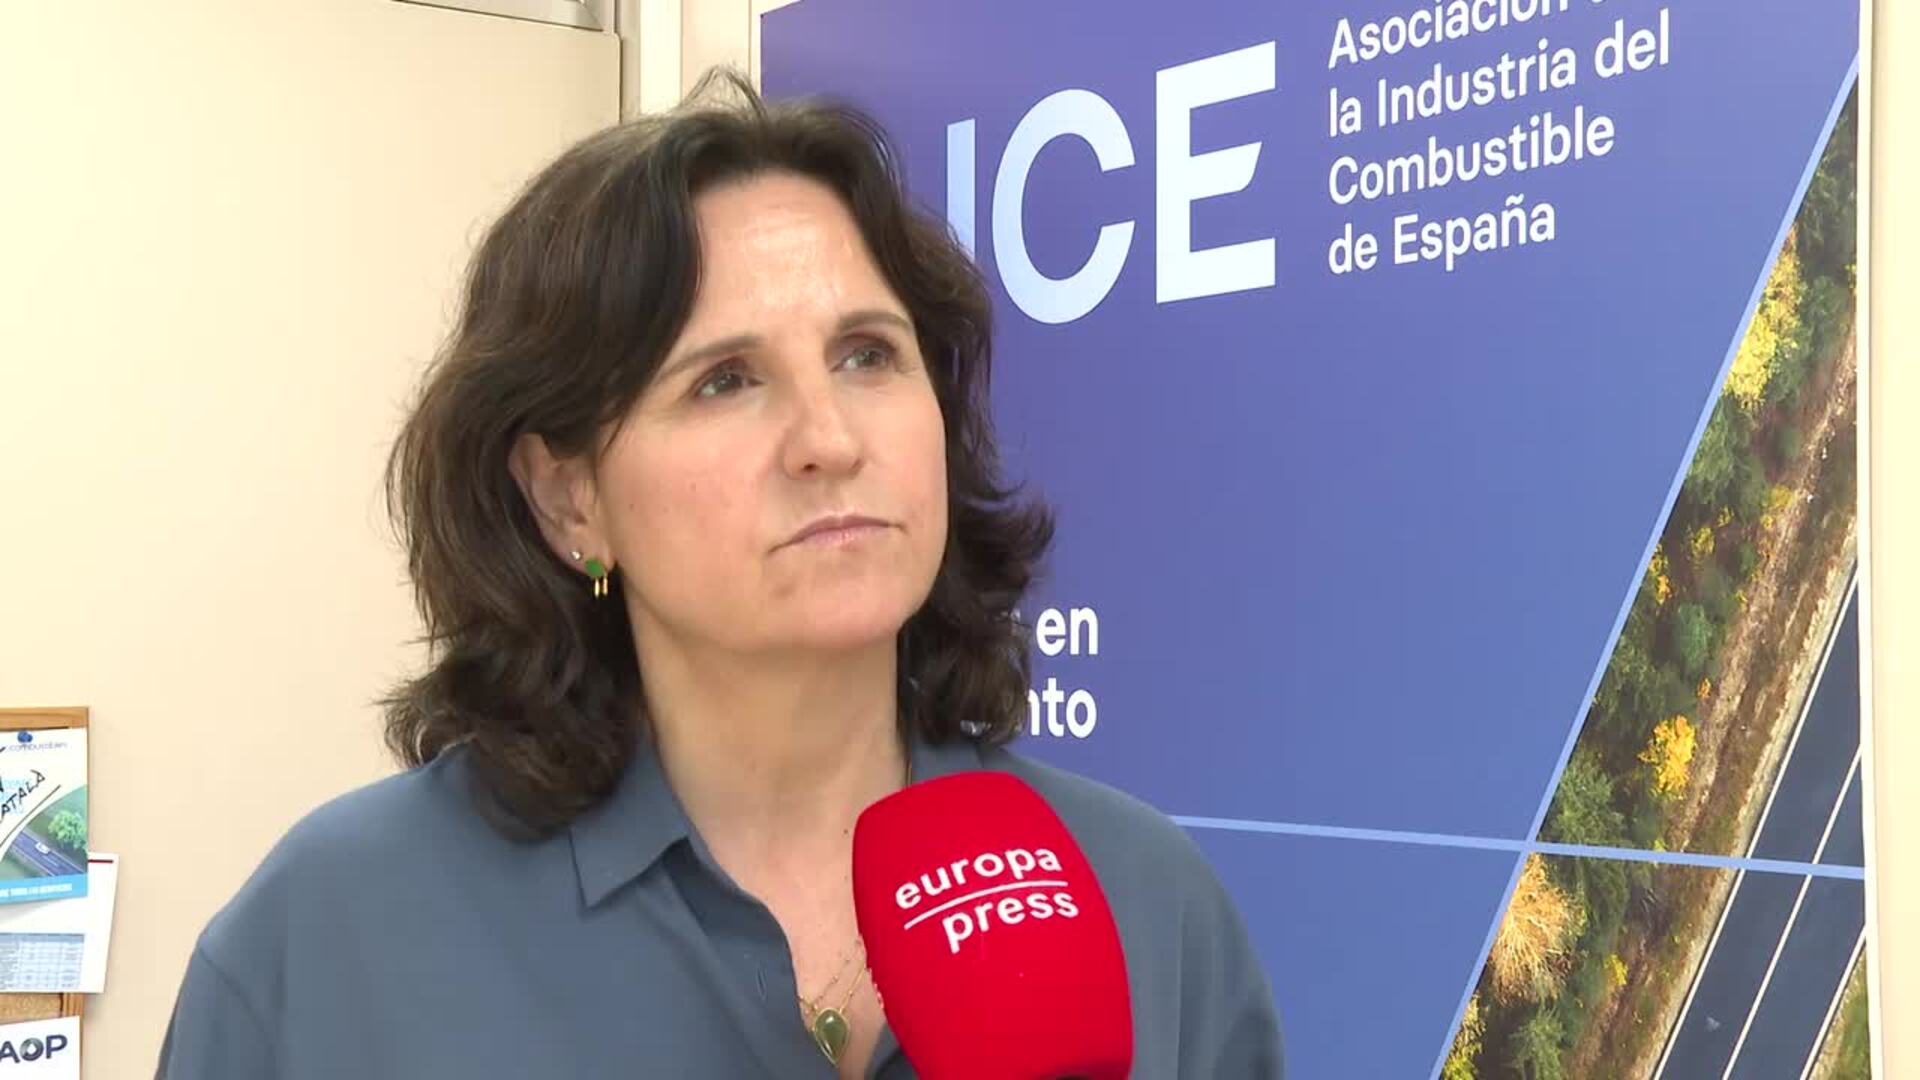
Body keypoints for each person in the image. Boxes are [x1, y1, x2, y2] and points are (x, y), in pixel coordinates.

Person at [155, 71, 1284, 1079]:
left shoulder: (1146, 901)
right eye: (725, 380)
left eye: (867, 355)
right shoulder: (334, 936)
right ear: (568, 499)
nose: (829, 439)